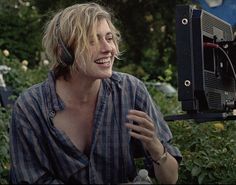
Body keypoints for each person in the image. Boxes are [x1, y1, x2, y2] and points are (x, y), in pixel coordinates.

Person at [9, 2, 182, 184]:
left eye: (109, 38)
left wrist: (155, 147)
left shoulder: (131, 91)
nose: (108, 48)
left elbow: (170, 179)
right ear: (64, 52)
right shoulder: (30, 107)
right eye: (92, 40)